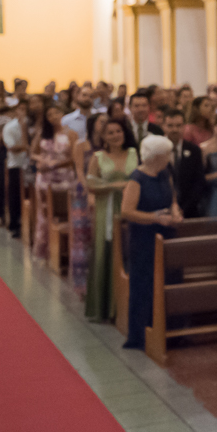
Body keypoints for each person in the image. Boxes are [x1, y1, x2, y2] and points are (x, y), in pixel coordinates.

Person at [120, 135, 182, 349]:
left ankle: (172, 330)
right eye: (167, 154)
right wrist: (154, 217)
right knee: (144, 285)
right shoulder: (137, 178)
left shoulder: (165, 173)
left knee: (170, 279)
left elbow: (172, 198)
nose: (170, 157)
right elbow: (127, 211)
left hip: (166, 234)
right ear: (157, 156)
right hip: (144, 238)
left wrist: (175, 212)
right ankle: (141, 334)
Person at [85, 118, 138, 322]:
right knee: (105, 252)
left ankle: (125, 307)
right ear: (104, 137)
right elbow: (90, 186)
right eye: (111, 133)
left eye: (119, 131)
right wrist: (114, 186)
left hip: (130, 207)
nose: (116, 136)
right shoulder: (98, 158)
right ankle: (105, 307)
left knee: (127, 252)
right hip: (106, 209)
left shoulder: (134, 153)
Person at [30, 102, 78, 260]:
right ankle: (46, 249)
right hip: (45, 178)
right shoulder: (42, 133)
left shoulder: (70, 134)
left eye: (56, 113)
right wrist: (42, 160)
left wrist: (56, 163)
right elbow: (33, 152)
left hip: (64, 178)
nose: (54, 117)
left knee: (65, 210)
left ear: (62, 114)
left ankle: (64, 250)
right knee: (45, 213)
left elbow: (74, 158)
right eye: (50, 115)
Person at [68, 112, 104, 296]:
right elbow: (80, 171)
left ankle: (99, 282)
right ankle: (81, 283)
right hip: (84, 193)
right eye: (102, 122)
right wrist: (90, 191)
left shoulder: (107, 147)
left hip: (103, 192)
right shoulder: (82, 145)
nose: (105, 125)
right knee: (82, 237)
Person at [161, 108, 206, 219]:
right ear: (163, 126)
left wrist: (183, 209)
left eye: (178, 125)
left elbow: (199, 182)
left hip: (190, 211)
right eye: (170, 126)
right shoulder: (157, 150)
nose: (175, 129)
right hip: (162, 212)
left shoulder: (194, 150)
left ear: (184, 126)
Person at [2, 100, 30, 238]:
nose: (23, 112)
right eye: (21, 109)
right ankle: (15, 224)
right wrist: (27, 146)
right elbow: (12, 147)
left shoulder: (31, 125)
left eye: (26, 109)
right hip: (16, 165)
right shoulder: (10, 127)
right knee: (15, 196)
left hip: (29, 164)